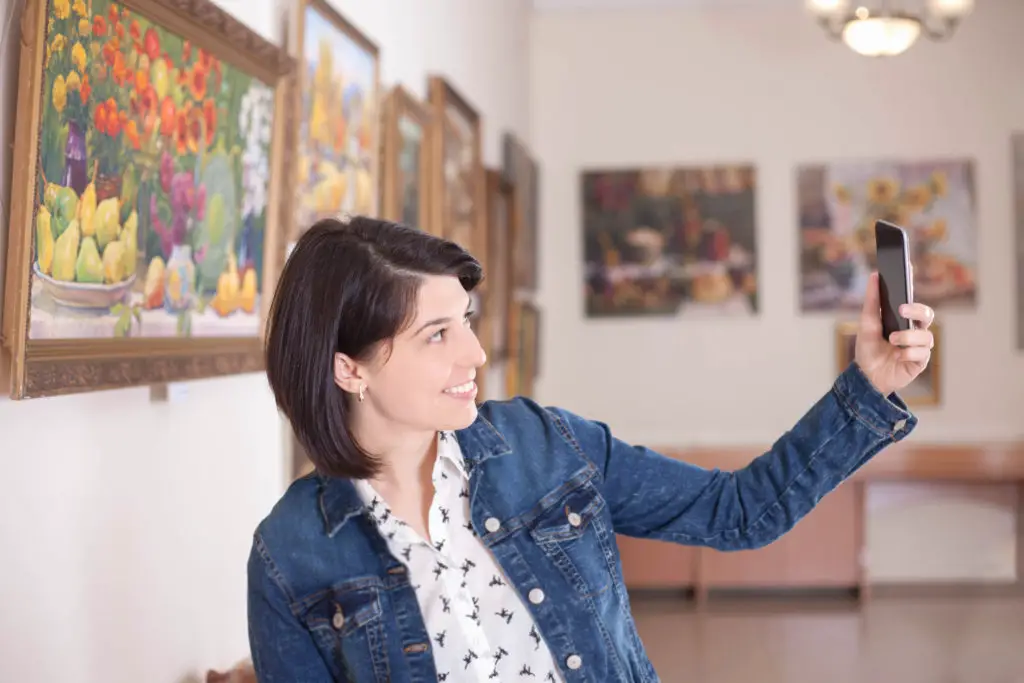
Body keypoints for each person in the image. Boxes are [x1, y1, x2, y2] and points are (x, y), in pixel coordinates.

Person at [248, 216, 935, 683]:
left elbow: (739, 511)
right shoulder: (291, 553)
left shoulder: (546, 445)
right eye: (437, 334)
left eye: (467, 322)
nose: (476, 353)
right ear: (349, 369)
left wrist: (868, 386)